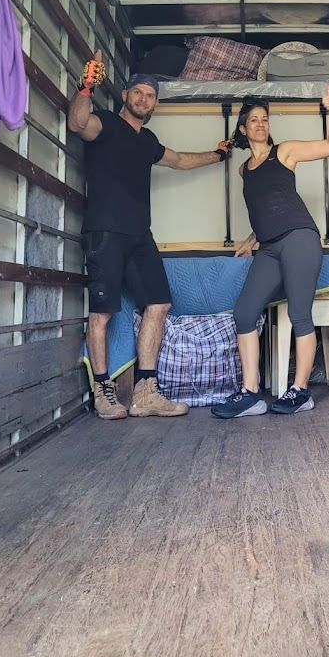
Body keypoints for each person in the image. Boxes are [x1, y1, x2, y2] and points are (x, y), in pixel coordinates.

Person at [68, 51, 231, 421]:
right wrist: (86, 87)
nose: (144, 100)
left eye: (151, 96)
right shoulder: (106, 124)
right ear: (125, 95)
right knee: (102, 313)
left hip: (140, 236)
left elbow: (178, 161)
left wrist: (218, 155)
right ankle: (104, 392)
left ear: (155, 103)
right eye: (138, 93)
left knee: (158, 304)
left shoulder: (148, 141)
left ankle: (146, 391)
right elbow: (78, 124)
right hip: (105, 232)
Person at [212, 85, 329, 419]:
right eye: (253, 120)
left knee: (299, 314)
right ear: (242, 129)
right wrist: (251, 239)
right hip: (268, 247)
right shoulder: (244, 170)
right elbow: (265, 207)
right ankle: (251, 393)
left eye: (264, 119)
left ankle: (300, 391)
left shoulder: (284, 152)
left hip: (299, 237)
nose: (260, 124)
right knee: (244, 313)